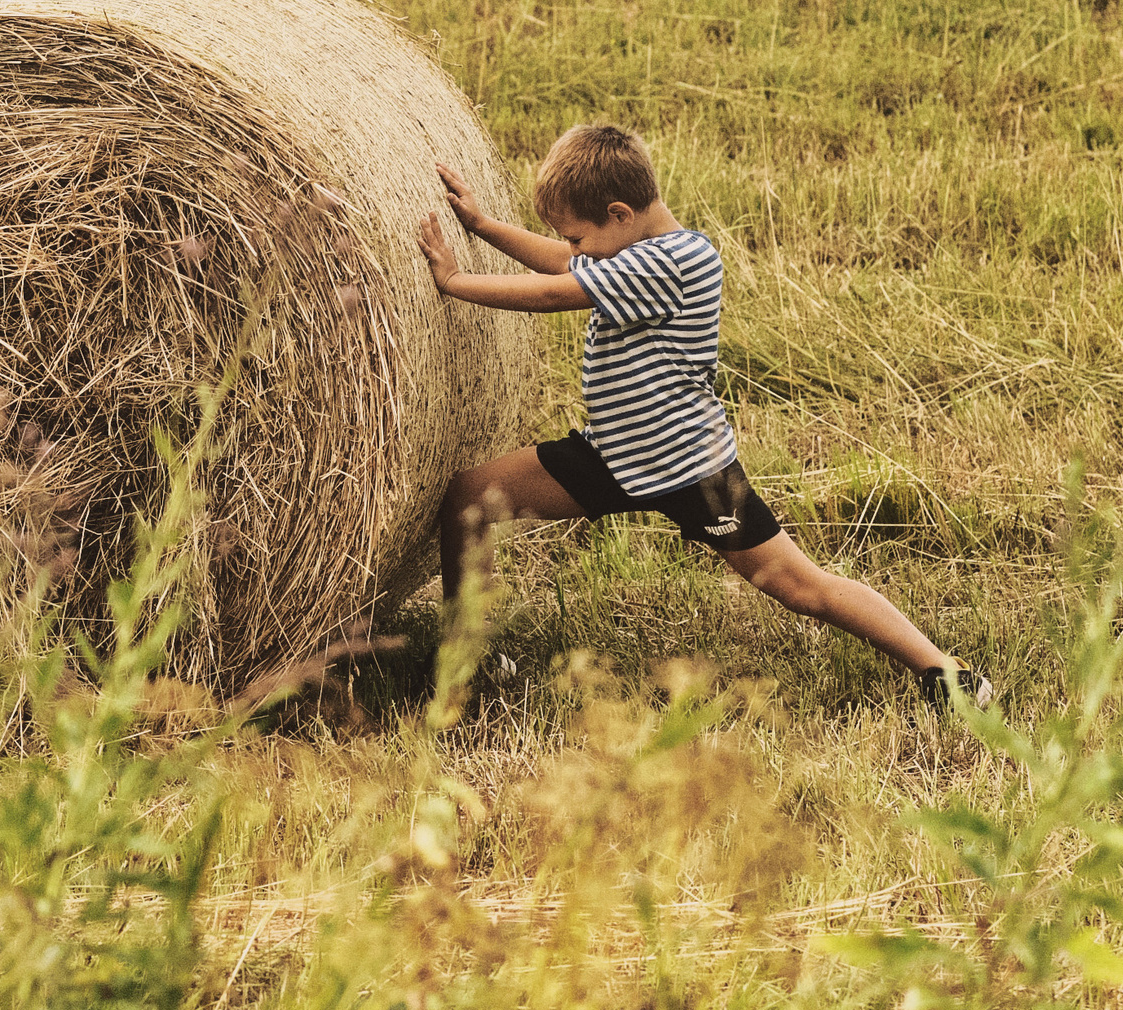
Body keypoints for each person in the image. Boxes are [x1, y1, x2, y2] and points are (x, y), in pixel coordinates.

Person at [416, 122, 992, 710]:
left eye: (578, 237)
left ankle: (944, 671)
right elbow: (567, 265)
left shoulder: (674, 261)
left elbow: (555, 291)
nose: (574, 251)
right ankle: (469, 656)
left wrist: (456, 280)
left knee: (799, 588)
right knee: (469, 499)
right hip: (612, 454)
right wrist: (483, 226)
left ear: (618, 214)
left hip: (691, 469)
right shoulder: (633, 246)